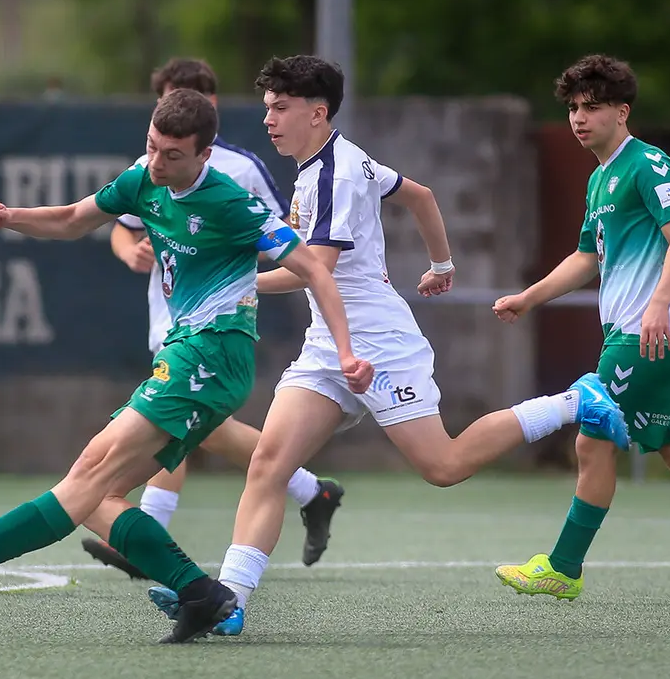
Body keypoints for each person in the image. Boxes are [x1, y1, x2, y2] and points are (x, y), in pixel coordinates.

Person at [147, 55, 629, 637]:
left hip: (380, 345)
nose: (269, 120)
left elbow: (310, 270)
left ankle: (574, 403)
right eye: (268, 107)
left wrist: (225, 279)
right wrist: (441, 262)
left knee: (443, 466)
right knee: (269, 465)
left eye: (281, 108)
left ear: (317, 113)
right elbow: (420, 195)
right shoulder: (328, 162)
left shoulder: (335, 175)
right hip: (329, 344)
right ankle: (230, 602)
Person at [0, 88, 374, 644]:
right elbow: (71, 219)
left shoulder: (231, 203)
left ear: (204, 154)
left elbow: (314, 270)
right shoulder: (143, 179)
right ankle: (199, 593)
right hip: (187, 353)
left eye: (172, 155)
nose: (157, 163)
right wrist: (11, 216)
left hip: (213, 354)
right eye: (152, 147)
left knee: (88, 475)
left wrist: (346, 352)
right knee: (97, 498)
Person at [492, 54, 670, 606]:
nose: (578, 118)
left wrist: (660, 304)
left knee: (592, 438)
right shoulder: (599, 179)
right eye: (572, 108)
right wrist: (530, 297)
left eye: (591, 107)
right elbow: (586, 258)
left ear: (623, 110)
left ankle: (563, 568)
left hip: (650, 333)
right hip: (648, 333)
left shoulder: (649, 164)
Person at [83, 57, 343, 580]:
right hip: (169, 310)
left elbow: (279, 234)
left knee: (169, 426)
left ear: (211, 109)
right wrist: (126, 248)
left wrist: (243, 267)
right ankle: (312, 490)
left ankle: (146, 539)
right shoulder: (151, 162)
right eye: (166, 104)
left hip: (211, 319)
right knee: (198, 428)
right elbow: (117, 223)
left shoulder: (239, 169)